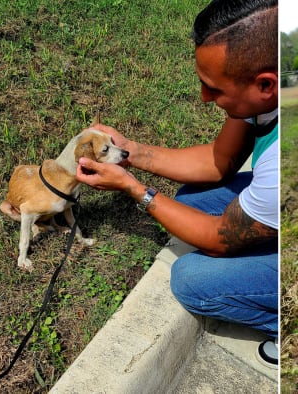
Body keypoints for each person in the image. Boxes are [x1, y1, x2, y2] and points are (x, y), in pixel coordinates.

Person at [74, 0, 279, 367]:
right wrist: (129, 151)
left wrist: (134, 189)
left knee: (191, 279)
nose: (204, 98)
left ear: (265, 85)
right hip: (278, 200)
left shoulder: (280, 160)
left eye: (213, 88)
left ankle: (283, 318)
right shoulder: (261, 98)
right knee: (191, 200)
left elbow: (219, 241)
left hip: (280, 202)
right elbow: (218, 161)